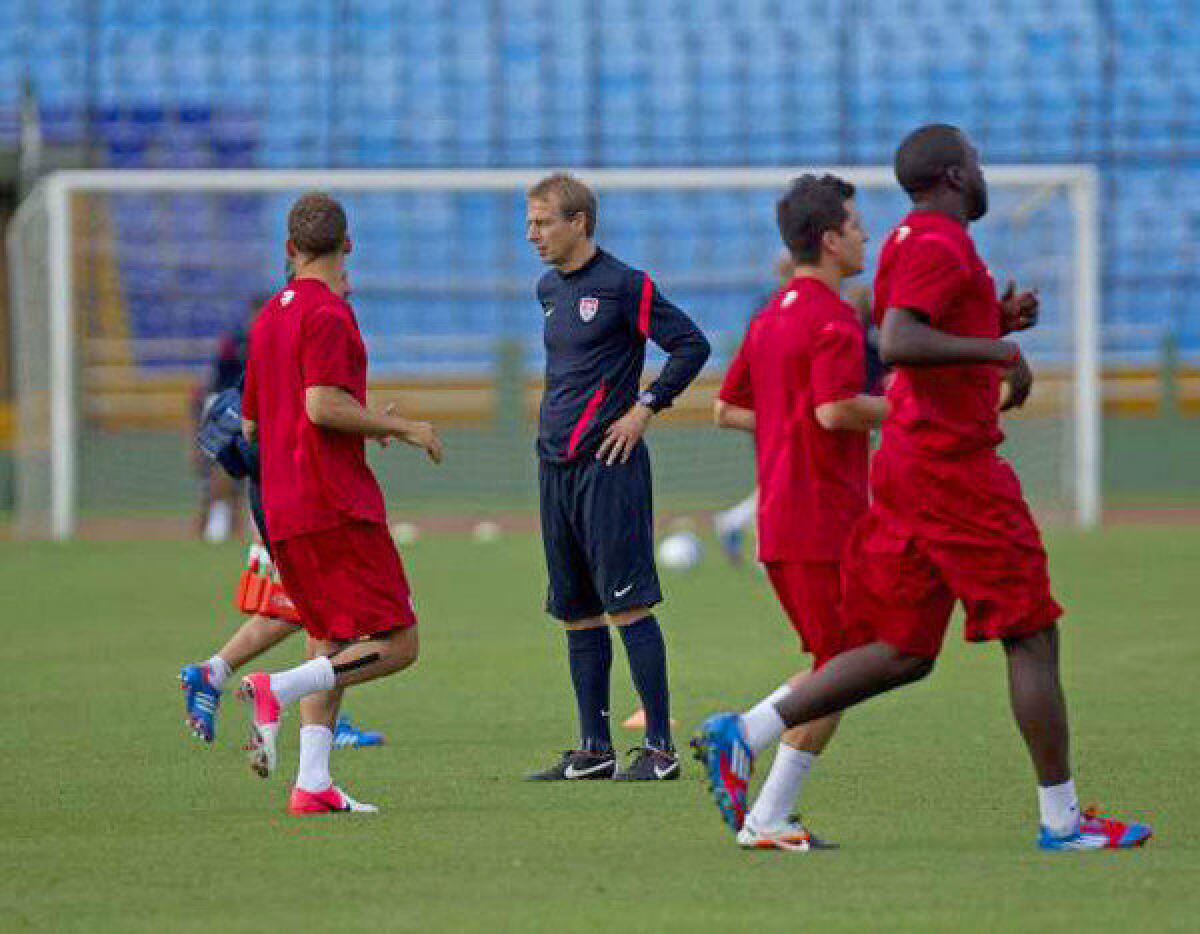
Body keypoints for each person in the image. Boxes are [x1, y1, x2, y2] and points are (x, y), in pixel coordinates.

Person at [695, 125, 1152, 851]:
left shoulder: (911, 247)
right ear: (953, 173)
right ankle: (1063, 821)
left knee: (903, 649)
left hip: (902, 472)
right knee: (1031, 630)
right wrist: (1002, 349)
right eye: (974, 159)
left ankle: (745, 731)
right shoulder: (931, 247)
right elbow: (902, 341)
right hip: (951, 471)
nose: (981, 169)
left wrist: (992, 322)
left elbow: (906, 330)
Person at [237, 192, 443, 815]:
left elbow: (251, 426)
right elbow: (321, 406)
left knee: (330, 637)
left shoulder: (268, 317)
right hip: (335, 502)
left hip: (284, 505)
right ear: (348, 245)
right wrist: (407, 428)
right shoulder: (328, 313)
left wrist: (362, 422)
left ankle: (313, 784)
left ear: (288, 249)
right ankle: (276, 687)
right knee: (399, 643)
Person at [713, 174, 888, 849]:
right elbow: (836, 409)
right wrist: (909, 408)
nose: (865, 234)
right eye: (855, 224)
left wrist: (788, 424)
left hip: (786, 517)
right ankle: (745, 747)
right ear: (829, 239)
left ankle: (767, 813)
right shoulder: (834, 317)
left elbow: (727, 407)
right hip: (824, 519)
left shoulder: (772, 314)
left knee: (839, 664)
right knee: (845, 669)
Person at [524, 172, 710, 781]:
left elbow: (690, 345)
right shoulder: (548, 289)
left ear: (579, 221)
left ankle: (659, 749)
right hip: (555, 469)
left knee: (628, 608)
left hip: (610, 469)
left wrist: (645, 409)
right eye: (530, 223)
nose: (533, 235)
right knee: (576, 611)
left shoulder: (625, 286)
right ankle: (593, 749)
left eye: (543, 222)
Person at [179, 374, 384, 751]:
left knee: (306, 610)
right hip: (292, 490)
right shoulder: (308, 325)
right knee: (330, 616)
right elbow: (312, 409)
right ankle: (317, 721)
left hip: (276, 487)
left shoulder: (277, 327)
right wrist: (383, 425)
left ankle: (213, 672)